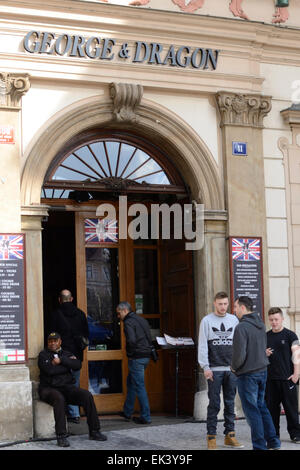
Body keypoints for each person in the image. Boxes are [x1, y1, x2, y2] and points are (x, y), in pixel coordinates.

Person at [38, 332, 107, 447]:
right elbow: (50, 371)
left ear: (60, 342)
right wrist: (67, 366)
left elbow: (77, 365)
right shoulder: (43, 355)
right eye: (50, 341)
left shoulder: (66, 353)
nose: (52, 343)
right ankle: (61, 436)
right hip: (48, 389)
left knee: (87, 395)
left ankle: (95, 431)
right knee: (59, 399)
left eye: (55, 341)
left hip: (66, 387)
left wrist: (61, 361)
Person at [231, 296, 281, 450]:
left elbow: (240, 355)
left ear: (243, 308)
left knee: (252, 411)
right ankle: (273, 441)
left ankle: (259, 446)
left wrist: (233, 367)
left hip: (248, 374)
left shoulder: (241, 327)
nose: (234, 310)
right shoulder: (260, 324)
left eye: (235, 307)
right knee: (261, 407)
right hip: (262, 371)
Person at [198, 291, 243, 450]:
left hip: (231, 369)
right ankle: (211, 437)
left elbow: (238, 345)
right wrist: (205, 367)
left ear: (228, 304)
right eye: (220, 304)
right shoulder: (207, 321)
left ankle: (230, 435)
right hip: (214, 370)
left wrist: (238, 366)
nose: (223, 307)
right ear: (214, 304)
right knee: (214, 404)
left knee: (230, 404)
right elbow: (203, 345)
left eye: (225, 304)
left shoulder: (234, 320)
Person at [50, 289, 89, 423]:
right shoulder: (81, 314)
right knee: (74, 383)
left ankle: (69, 412)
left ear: (60, 300)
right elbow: (86, 335)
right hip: (77, 356)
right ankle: (75, 413)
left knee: (62, 383)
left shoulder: (55, 315)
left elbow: (52, 338)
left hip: (62, 355)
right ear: (71, 299)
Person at [265, 307, 300, 443]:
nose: (274, 322)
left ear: (282, 319)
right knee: (272, 410)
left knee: (291, 409)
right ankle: (274, 435)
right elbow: (260, 356)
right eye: (271, 320)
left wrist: (296, 373)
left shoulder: (291, 335)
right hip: (271, 380)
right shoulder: (266, 336)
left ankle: (296, 434)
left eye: (276, 319)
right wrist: (264, 353)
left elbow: (297, 354)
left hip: (288, 379)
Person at [116, 301, 152, 425]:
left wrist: (130, 354)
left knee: (139, 385)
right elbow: (148, 336)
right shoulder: (141, 320)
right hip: (146, 355)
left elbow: (131, 340)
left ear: (125, 310)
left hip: (136, 357)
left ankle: (146, 416)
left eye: (119, 313)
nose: (118, 316)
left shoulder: (128, 322)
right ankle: (127, 411)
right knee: (131, 383)